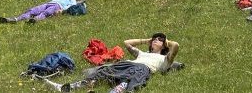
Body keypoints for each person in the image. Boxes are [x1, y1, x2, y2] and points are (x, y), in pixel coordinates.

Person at [39, 33, 180, 92]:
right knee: (101, 73)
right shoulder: (143, 53)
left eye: (160, 40)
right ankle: (66, 88)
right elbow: (127, 43)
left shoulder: (165, 59)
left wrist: (166, 41)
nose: (156, 40)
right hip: (127, 64)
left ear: (165, 45)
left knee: (130, 81)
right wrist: (146, 40)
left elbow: (176, 46)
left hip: (142, 69)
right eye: (155, 38)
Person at [0, 0, 80, 23]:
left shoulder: (73, 1)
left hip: (57, 6)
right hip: (49, 3)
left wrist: (61, 10)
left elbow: (69, 7)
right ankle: (15, 19)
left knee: (46, 13)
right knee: (32, 11)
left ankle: (35, 19)